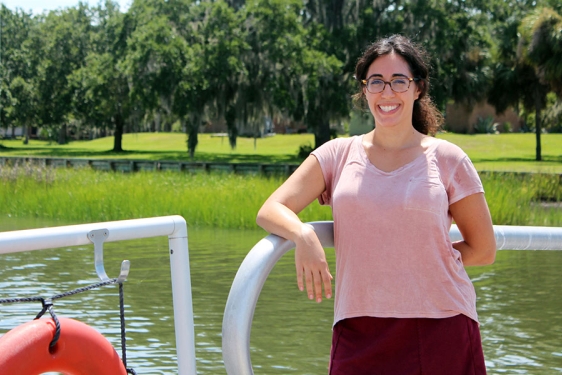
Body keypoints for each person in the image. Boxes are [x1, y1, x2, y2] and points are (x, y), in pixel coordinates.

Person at [256, 34, 496, 374]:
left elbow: (484, 249)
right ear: (364, 90)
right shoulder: (337, 154)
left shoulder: (448, 159)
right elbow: (271, 209)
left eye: (399, 81)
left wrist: (421, 256)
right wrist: (303, 236)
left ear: (418, 88)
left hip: (442, 326)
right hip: (358, 331)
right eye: (376, 82)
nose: (387, 92)